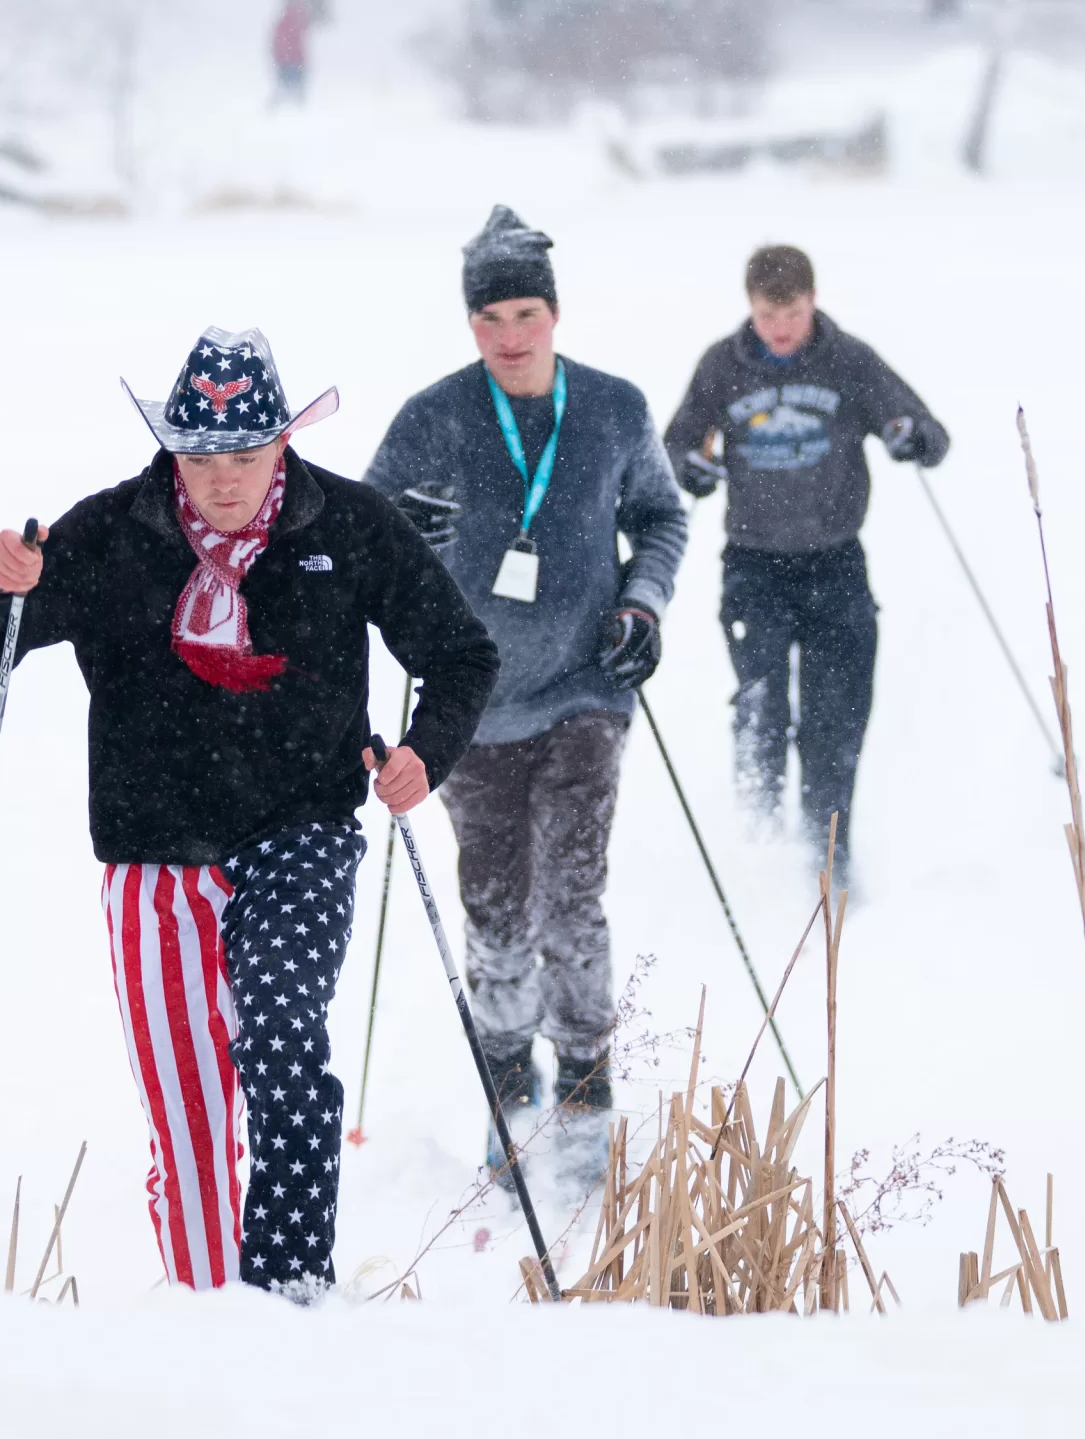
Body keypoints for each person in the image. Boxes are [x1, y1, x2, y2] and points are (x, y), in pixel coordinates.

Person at [0, 327, 498, 1295]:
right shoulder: (107, 533)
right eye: (200, 458)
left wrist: (420, 755)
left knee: (279, 1035)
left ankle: (288, 1298)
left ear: (282, 442)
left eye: (244, 454)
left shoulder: (345, 523)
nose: (223, 479)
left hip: (300, 829)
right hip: (151, 851)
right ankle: (206, 1322)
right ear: (170, 450)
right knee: (189, 1120)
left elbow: (460, 652)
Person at [365, 207, 688, 1174]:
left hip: (587, 690)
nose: (508, 337)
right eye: (488, 320)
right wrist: (399, 532)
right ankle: (508, 1073)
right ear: (469, 325)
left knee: (571, 896)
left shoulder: (615, 409)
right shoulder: (432, 416)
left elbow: (662, 520)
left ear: (553, 312)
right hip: (471, 700)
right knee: (496, 903)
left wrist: (641, 607)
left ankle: (587, 1082)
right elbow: (358, 525)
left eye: (523, 314)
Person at [662, 244, 949, 877]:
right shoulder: (722, 366)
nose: (780, 327)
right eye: (767, 315)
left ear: (812, 301)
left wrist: (912, 437)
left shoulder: (849, 361)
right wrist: (695, 468)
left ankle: (827, 853)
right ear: (751, 308)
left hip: (835, 563)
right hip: (754, 566)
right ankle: (757, 844)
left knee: (835, 719)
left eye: (790, 312)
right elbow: (676, 446)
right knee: (761, 709)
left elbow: (930, 434)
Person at [270, 1, 309, 107]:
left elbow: (277, 41)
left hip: (287, 61)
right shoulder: (297, 23)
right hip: (292, 61)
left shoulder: (287, 22)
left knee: (285, 88)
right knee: (292, 89)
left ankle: (285, 107)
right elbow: (299, 43)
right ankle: (297, 109)